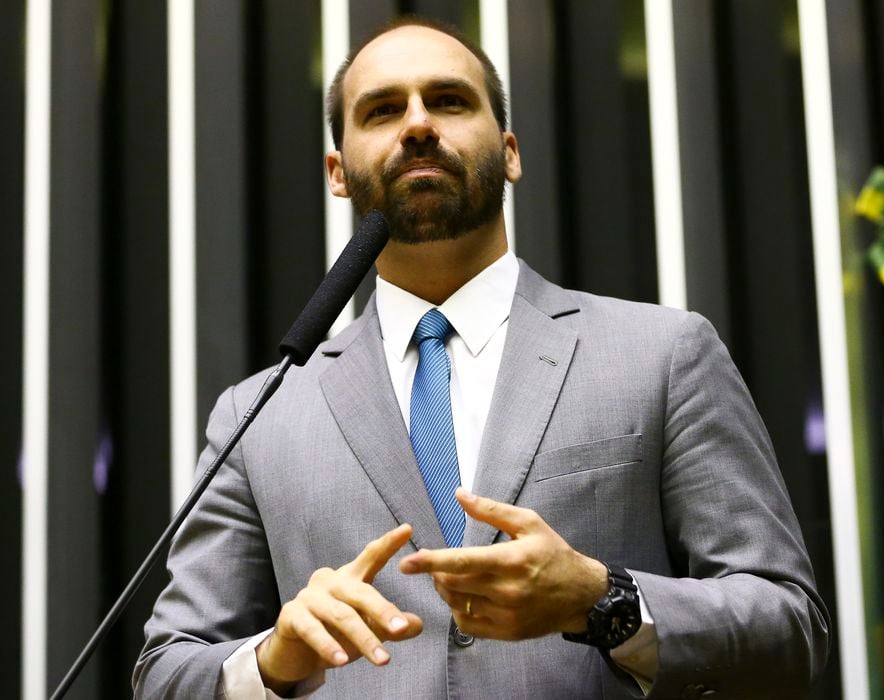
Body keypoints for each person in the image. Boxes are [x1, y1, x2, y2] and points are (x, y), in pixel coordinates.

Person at [134, 15, 831, 699]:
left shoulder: (665, 356)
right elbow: (166, 672)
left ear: (511, 152)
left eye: (447, 100)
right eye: (382, 110)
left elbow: (790, 628)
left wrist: (601, 598)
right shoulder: (261, 412)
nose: (416, 124)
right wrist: (274, 660)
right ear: (338, 172)